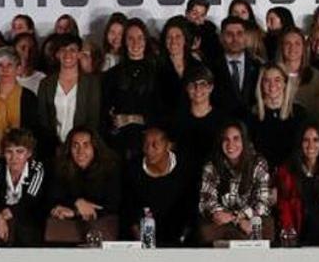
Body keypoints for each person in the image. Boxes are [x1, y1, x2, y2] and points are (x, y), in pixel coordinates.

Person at [197, 121, 273, 244]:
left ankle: (238, 236)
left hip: (249, 219)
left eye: (236, 138)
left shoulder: (258, 163)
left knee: (266, 227)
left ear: (244, 141)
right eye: (226, 139)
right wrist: (237, 220)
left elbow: (263, 202)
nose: (230, 144)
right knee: (205, 230)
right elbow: (206, 201)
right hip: (224, 222)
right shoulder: (212, 166)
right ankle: (239, 236)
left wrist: (241, 216)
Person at [122, 125, 197, 247]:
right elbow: (128, 209)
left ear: (168, 146)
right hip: (145, 234)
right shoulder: (133, 169)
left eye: (155, 144)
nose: (149, 149)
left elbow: (192, 207)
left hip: (179, 234)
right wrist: (140, 240)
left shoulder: (186, 167)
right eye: (146, 144)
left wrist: (182, 239)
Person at [0, 127, 46, 246]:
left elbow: (30, 202)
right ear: (3, 153)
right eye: (9, 151)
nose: (14, 157)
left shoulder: (36, 169)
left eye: (20, 151)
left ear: (29, 153)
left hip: (28, 231)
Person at [46, 127, 121, 244]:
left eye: (86, 145)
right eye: (75, 145)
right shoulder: (59, 168)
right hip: (64, 235)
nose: (80, 151)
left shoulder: (110, 169)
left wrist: (75, 212)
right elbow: (52, 198)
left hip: (102, 233)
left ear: (94, 148)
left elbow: (112, 205)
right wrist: (77, 202)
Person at [37, 34, 101, 161]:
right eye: (62, 50)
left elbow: (93, 119)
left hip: (81, 150)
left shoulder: (91, 83)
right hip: (53, 149)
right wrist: (55, 146)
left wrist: (78, 145)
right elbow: (43, 119)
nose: (67, 54)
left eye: (72, 50)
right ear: (56, 55)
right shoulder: (46, 83)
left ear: (79, 54)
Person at [100, 19, 157, 158]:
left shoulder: (160, 74)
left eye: (140, 38)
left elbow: (165, 114)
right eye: (130, 38)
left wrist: (132, 118)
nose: (135, 43)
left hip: (151, 147)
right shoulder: (110, 76)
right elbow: (104, 114)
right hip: (119, 147)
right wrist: (112, 123)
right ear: (124, 42)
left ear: (146, 41)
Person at [170, 65, 227, 173]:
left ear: (211, 87)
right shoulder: (178, 117)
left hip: (214, 176)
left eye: (203, 84)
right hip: (183, 175)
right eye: (192, 85)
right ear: (187, 88)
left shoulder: (222, 119)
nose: (197, 89)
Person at [247, 64, 307, 168]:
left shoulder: (300, 114)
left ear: (285, 83)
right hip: (261, 174)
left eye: (277, 80)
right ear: (261, 84)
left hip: (292, 174)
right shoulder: (251, 115)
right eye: (267, 80)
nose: (272, 85)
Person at [0, 45, 42, 149]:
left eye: (9, 65)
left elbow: (33, 131)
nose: (5, 69)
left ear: (18, 69)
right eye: (0, 65)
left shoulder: (29, 97)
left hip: (19, 154)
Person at [212, 16, 261, 118]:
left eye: (239, 34)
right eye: (229, 34)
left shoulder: (258, 66)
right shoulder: (210, 67)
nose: (235, 39)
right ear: (221, 37)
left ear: (245, 37)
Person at [277, 28, 319, 122]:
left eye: (297, 43)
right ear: (281, 47)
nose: (292, 48)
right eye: (288, 43)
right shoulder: (272, 74)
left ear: (303, 48)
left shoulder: (316, 77)